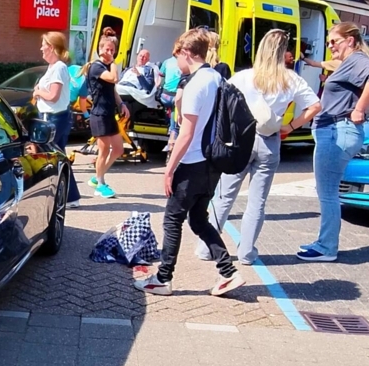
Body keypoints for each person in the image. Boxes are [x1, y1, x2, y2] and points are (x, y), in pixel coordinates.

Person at [195, 29, 322, 265]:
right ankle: (246, 252)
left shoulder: (244, 77)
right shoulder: (291, 80)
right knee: (257, 201)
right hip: (270, 140)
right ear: (284, 53)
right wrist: (291, 126)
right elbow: (315, 106)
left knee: (224, 195)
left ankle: (206, 247)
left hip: (240, 140)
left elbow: (220, 99)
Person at [135, 28, 245, 298]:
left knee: (173, 219)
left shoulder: (196, 83)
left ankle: (163, 278)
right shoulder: (217, 77)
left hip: (193, 161)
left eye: (177, 57)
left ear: (186, 53)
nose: (175, 64)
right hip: (213, 163)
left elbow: (187, 131)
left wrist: (169, 168)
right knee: (198, 219)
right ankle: (228, 272)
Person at [298, 22, 369, 262]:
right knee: (328, 191)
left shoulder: (357, 59)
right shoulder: (349, 63)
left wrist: (359, 109)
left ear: (350, 40)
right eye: (328, 42)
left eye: (334, 41)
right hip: (336, 129)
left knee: (327, 192)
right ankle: (325, 242)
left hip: (338, 130)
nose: (330, 46)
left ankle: (327, 248)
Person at [32, 31, 82, 208]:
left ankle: (65, 196)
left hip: (53, 118)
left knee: (50, 156)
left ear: (51, 47)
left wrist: (38, 92)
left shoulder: (59, 67)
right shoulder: (53, 67)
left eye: (44, 44)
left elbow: (53, 96)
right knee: (58, 155)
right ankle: (71, 197)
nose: (41, 48)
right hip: (52, 117)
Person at [85, 28, 129, 199]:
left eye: (112, 50)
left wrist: (122, 104)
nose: (109, 52)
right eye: (107, 49)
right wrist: (113, 63)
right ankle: (100, 183)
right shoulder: (96, 67)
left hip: (110, 113)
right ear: (100, 48)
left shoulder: (107, 66)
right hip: (99, 114)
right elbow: (113, 78)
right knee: (103, 151)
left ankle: (98, 176)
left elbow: (113, 89)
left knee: (118, 149)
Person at [159, 53, 183, 152]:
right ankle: (172, 137)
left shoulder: (167, 61)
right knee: (175, 110)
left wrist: (157, 88)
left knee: (171, 107)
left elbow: (160, 77)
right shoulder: (184, 62)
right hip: (175, 96)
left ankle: (169, 126)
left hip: (164, 95)